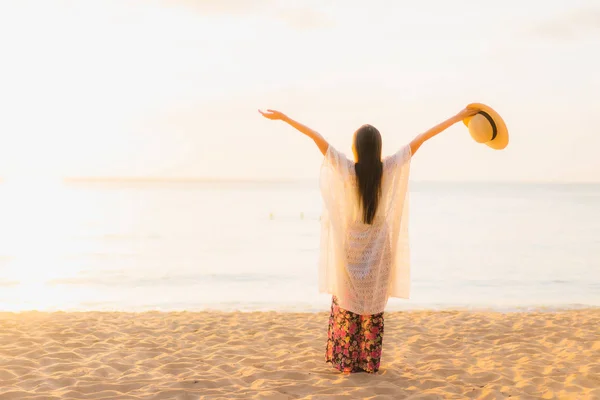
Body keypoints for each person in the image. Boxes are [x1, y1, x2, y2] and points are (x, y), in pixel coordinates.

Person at [258, 106, 479, 373]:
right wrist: (458, 117)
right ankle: (369, 361)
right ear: (378, 148)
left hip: (351, 249)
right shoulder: (389, 169)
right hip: (379, 251)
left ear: (355, 149)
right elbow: (423, 138)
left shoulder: (348, 170)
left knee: (348, 306)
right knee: (372, 310)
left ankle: (347, 361)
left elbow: (316, 137)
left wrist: (284, 118)